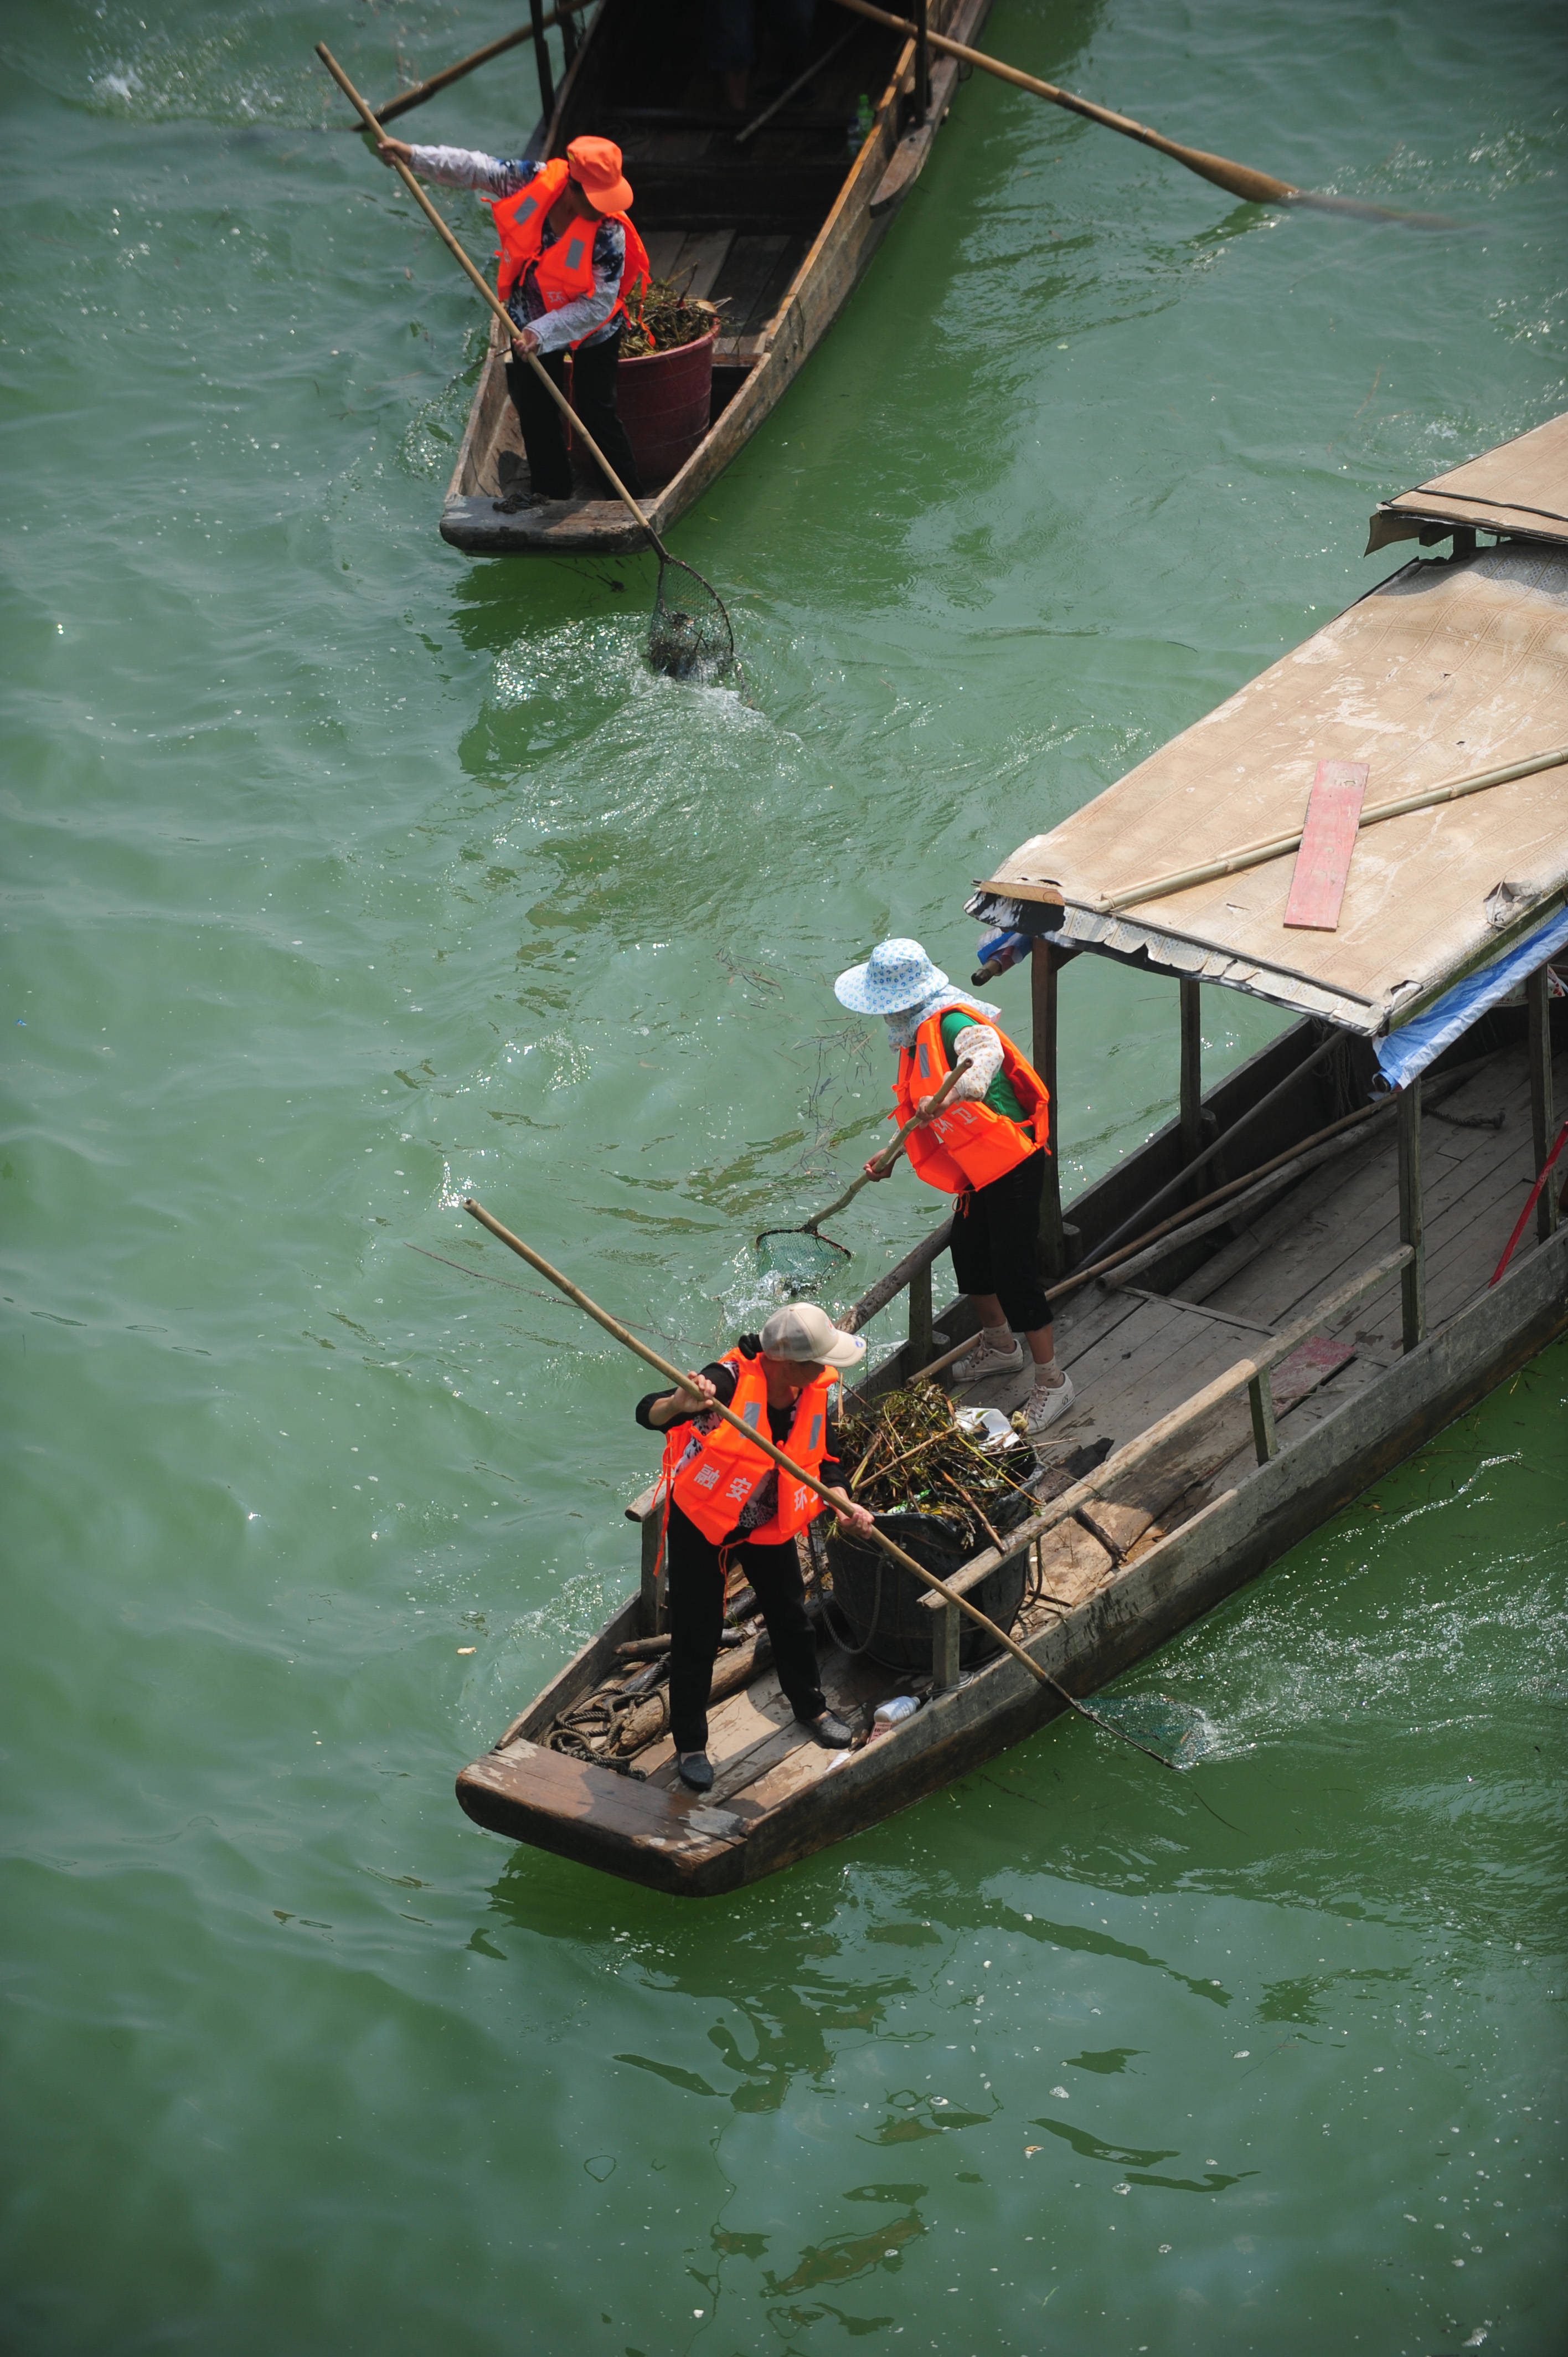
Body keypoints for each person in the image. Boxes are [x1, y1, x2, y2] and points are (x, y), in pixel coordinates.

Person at [834, 937, 1076, 1439]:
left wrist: (955, 1093)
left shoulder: (950, 1021)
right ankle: (1001, 1347)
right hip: (979, 1166)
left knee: (1014, 1272)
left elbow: (984, 1053)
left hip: (1013, 1159)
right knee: (968, 1251)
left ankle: (1053, 1381)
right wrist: (892, 1156)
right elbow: (922, 1113)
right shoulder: (915, 1037)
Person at [637, 1303, 876, 1793]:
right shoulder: (724, 1382)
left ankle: (811, 1707)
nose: (827, 1369)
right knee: (697, 1633)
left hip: (766, 1522)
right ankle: (691, 1744)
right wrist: (680, 1403)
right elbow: (648, 1413)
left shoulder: (811, 1389)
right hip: (704, 1525)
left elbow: (828, 1460)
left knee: (790, 1616)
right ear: (787, 1362)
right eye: (818, 1360)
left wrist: (844, 1503)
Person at [377, 131, 646, 508]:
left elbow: (597, 305)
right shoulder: (532, 181)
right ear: (572, 186)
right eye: (596, 199)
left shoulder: (609, 232)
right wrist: (413, 156)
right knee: (536, 411)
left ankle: (627, 500)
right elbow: (476, 168)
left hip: (591, 324)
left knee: (596, 411)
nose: (604, 209)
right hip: (529, 312)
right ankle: (550, 496)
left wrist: (543, 331)